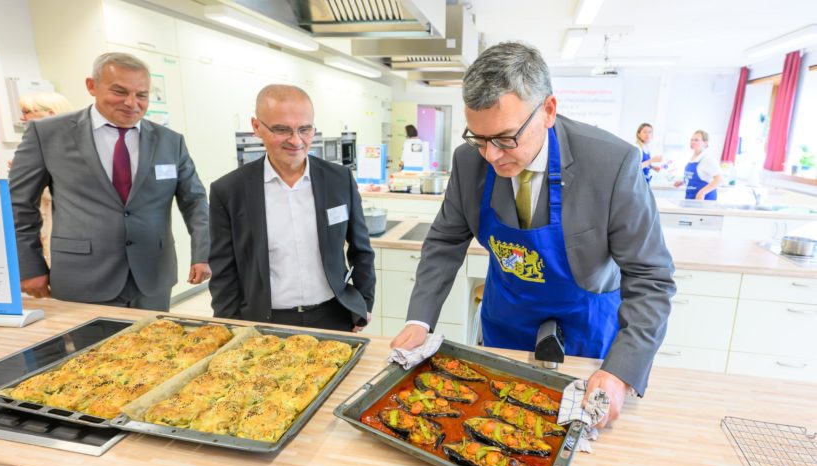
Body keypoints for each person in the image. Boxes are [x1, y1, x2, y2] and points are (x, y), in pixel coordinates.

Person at [389, 42, 675, 428]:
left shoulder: (611, 164)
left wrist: (622, 370)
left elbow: (651, 277)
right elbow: (444, 242)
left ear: (549, 111)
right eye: (478, 138)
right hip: (507, 324)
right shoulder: (468, 160)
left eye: (505, 139)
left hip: (586, 332)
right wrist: (419, 321)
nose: (490, 155)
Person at [9, 52, 211, 312]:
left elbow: (194, 201)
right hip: (82, 278)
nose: (132, 103)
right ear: (91, 86)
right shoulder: (47, 134)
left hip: (152, 276)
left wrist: (203, 254)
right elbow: (18, 205)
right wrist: (29, 265)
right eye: (119, 92)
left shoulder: (170, 141)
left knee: (153, 349)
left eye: (142, 95)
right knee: (87, 351)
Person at [209, 84, 375, 332]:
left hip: (334, 316)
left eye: (304, 129)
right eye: (281, 129)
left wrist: (363, 304)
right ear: (256, 127)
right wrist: (230, 325)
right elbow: (224, 270)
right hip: (265, 322)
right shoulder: (229, 190)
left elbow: (361, 249)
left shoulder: (339, 180)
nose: (296, 140)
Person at [12, 91, 75, 266]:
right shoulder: (35, 144)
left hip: (67, 233)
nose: (22, 117)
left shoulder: (74, 147)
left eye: (27, 111)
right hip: (45, 228)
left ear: (51, 113)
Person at [674, 130, 722, 200]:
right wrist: (683, 181)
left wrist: (702, 192)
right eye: (692, 140)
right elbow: (695, 178)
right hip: (691, 198)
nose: (693, 142)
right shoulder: (693, 158)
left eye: (696, 140)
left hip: (704, 201)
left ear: (705, 143)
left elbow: (719, 179)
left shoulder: (707, 159)